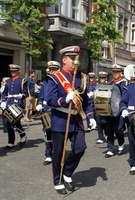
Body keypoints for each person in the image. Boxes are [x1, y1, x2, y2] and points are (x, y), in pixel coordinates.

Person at [46, 46, 96, 194]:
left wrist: (90, 116)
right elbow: (49, 99)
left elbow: (86, 100)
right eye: (72, 58)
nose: (75, 61)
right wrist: (63, 100)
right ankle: (58, 181)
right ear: (64, 59)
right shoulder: (55, 77)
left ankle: (67, 172)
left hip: (76, 119)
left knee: (80, 148)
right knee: (59, 152)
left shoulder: (81, 77)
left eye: (77, 58)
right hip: (60, 119)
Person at [36, 61, 60, 165]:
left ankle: (57, 153)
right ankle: (48, 155)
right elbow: (41, 96)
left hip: (57, 111)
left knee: (57, 135)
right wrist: (39, 103)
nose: (51, 71)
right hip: (46, 110)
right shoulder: (45, 83)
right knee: (47, 134)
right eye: (50, 69)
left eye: (53, 69)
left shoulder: (60, 83)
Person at [0, 64, 28, 149]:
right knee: (9, 123)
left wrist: (21, 96)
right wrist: (3, 101)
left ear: (18, 71)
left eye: (14, 71)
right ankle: (11, 142)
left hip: (17, 103)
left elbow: (25, 93)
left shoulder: (22, 80)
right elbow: (4, 93)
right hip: (9, 102)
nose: (12, 72)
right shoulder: (8, 81)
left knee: (15, 122)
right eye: (11, 71)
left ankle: (22, 135)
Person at [104, 64, 126, 158]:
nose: (115, 74)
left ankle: (121, 143)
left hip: (120, 110)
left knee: (118, 129)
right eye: (114, 72)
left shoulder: (124, 84)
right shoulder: (109, 84)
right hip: (110, 110)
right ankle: (110, 149)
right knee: (109, 130)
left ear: (121, 73)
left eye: (117, 72)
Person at [95, 71, 108, 144]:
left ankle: (107, 134)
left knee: (105, 122)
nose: (102, 79)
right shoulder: (97, 85)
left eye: (103, 78)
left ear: (106, 78)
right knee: (98, 122)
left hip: (105, 106)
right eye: (101, 78)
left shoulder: (108, 85)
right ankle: (100, 137)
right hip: (97, 106)